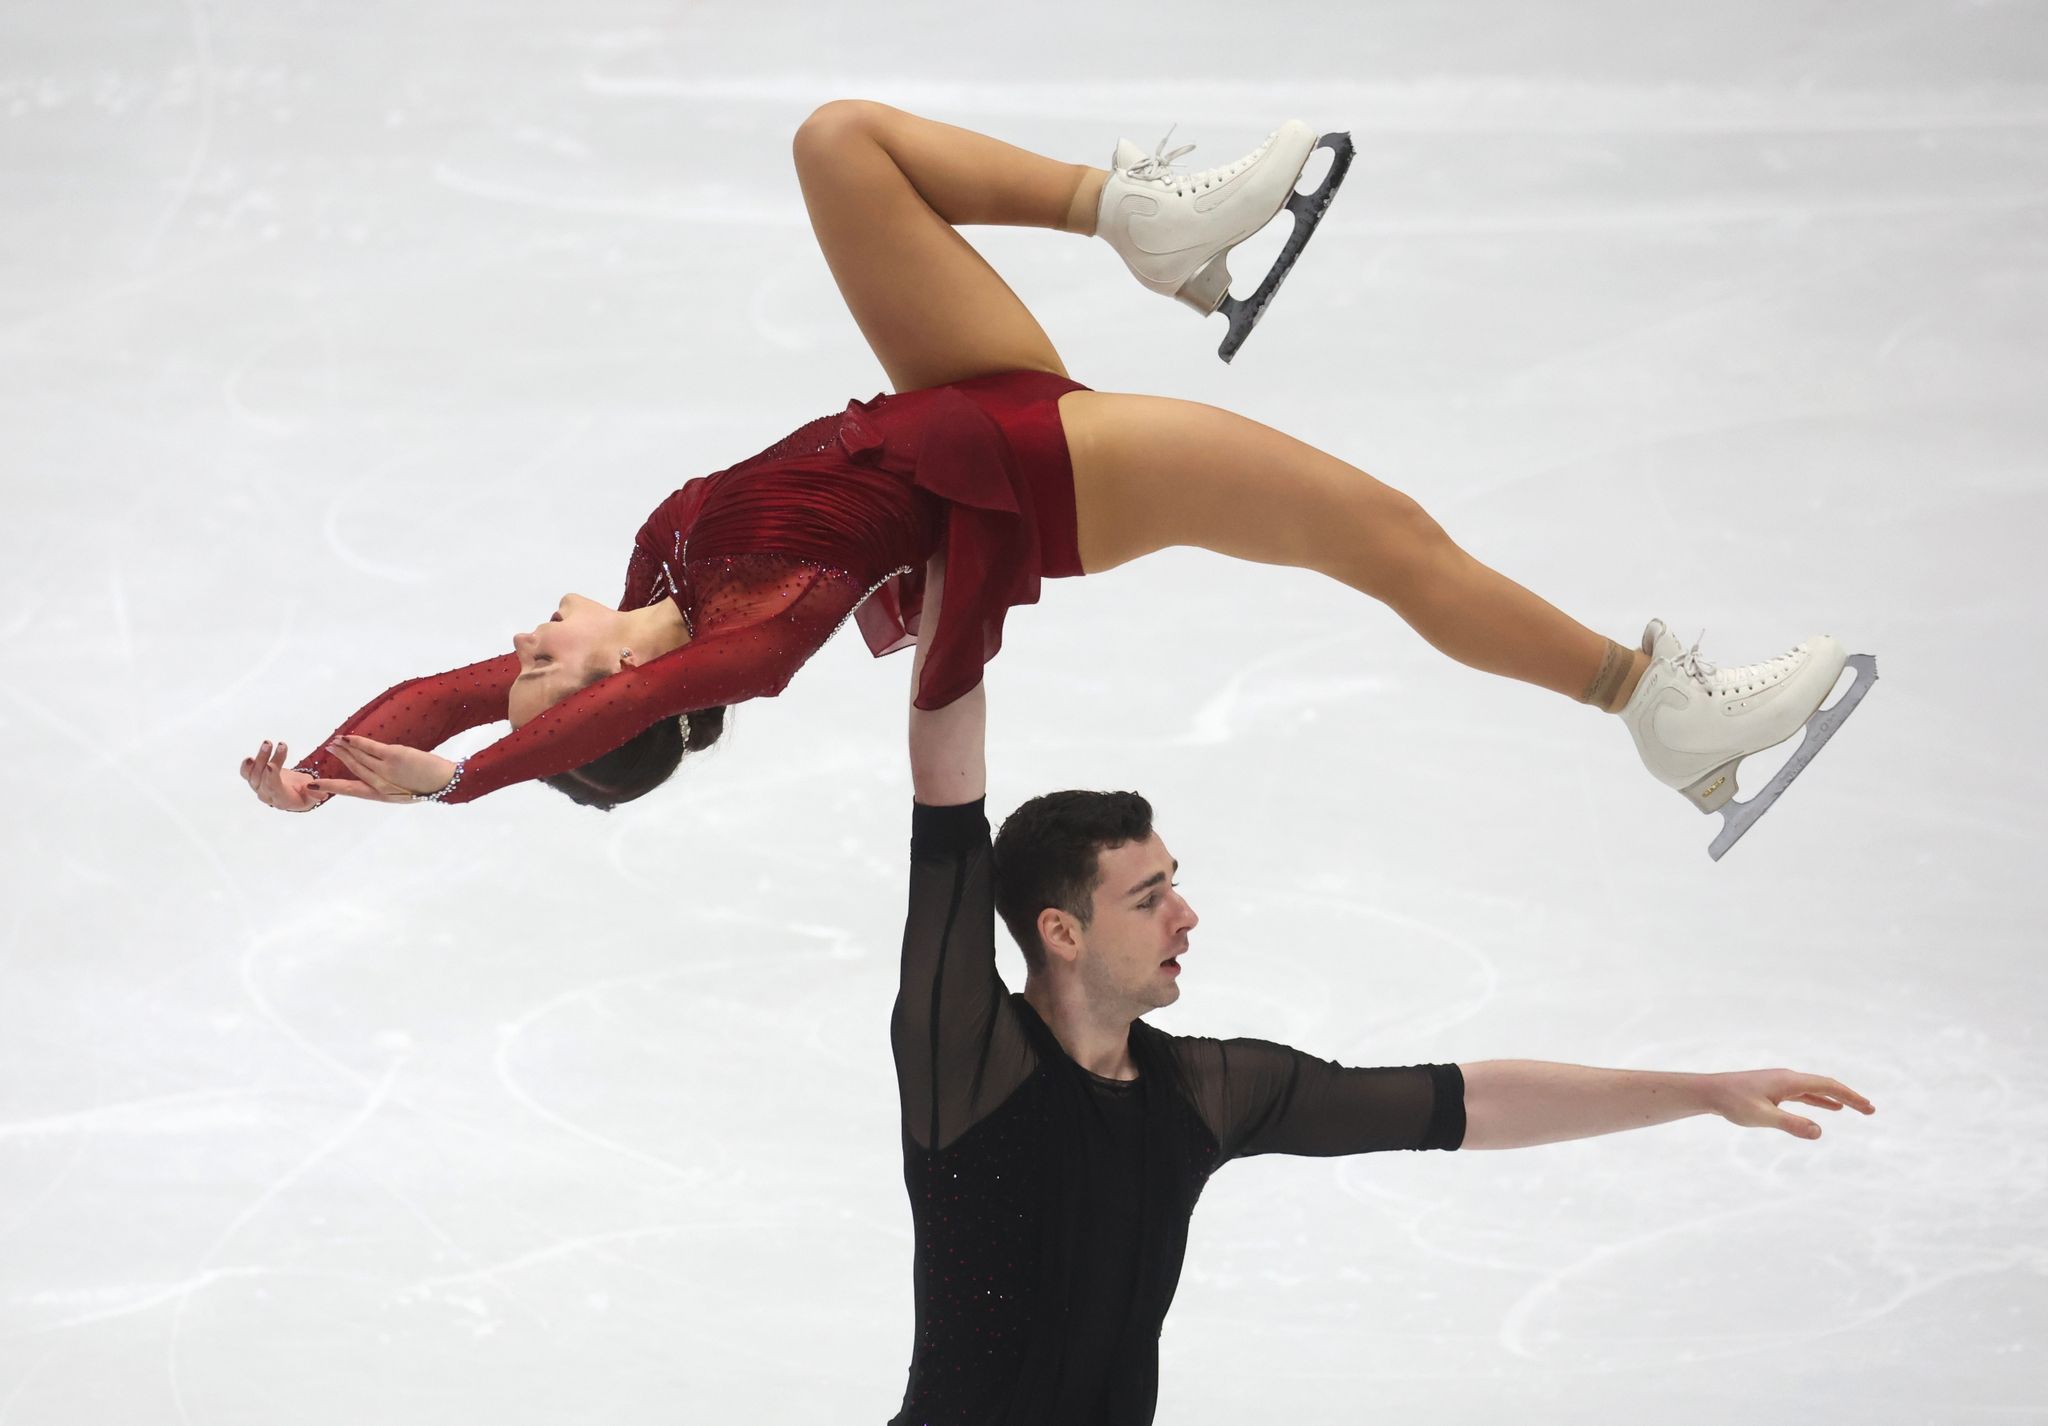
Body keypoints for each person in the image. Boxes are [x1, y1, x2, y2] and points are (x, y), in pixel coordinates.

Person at [239, 101, 1866, 847]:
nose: (517, 650)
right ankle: (1652, 706)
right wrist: (462, 788)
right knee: (1380, 537)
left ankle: (1140, 219)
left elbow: (433, 688)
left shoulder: (660, 577)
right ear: (616, 702)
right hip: (1039, 469)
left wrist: (333, 768)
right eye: (545, 678)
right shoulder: (753, 636)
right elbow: (558, 724)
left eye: (517, 674)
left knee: (835, 144)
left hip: (944, 399)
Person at [892, 591, 1875, 1423]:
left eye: (1174, 883)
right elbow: (946, 793)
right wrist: (959, 576)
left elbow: (1460, 1102)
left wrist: (1701, 1090)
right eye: (1148, 900)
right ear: (1058, 932)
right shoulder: (970, 1061)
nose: (1185, 916)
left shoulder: (1196, 1091)